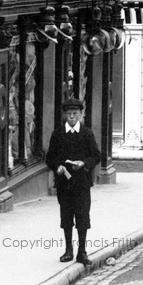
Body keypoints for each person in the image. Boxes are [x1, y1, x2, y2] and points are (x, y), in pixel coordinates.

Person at [45, 98, 101, 265]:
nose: (71, 117)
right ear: (65, 115)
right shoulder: (58, 133)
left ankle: (82, 252)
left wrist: (83, 163)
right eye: (69, 114)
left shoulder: (87, 133)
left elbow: (96, 156)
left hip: (82, 183)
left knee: (82, 216)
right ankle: (68, 250)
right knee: (66, 216)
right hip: (64, 184)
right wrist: (57, 167)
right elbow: (50, 157)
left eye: (75, 114)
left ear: (81, 115)